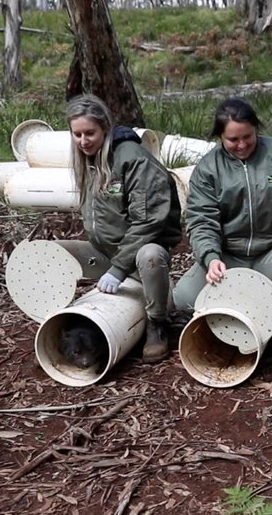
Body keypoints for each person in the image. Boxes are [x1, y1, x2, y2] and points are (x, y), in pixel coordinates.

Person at [172, 98, 272, 371]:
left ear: (256, 129)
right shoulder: (208, 168)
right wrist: (210, 257)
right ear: (220, 137)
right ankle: (242, 312)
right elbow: (201, 218)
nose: (241, 145)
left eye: (247, 137)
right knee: (182, 298)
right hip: (229, 256)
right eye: (233, 139)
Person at [57, 94, 183, 363]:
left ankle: (157, 325)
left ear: (105, 127)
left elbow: (148, 221)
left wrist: (118, 269)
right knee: (45, 254)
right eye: (77, 135)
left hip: (136, 260)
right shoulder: (86, 158)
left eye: (90, 133)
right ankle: (61, 327)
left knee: (151, 255)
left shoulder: (132, 159)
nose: (83, 141)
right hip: (103, 254)